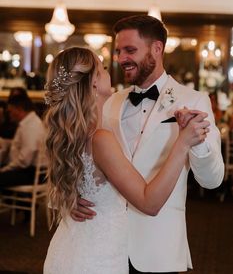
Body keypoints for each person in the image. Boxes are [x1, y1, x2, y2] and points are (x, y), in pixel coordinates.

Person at [71, 15, 224, 274]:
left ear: (157, 48)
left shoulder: (195, 101)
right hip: (105, 242)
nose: (121, 59)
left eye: (130, 50)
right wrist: (72, 195)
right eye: (119, 51)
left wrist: (194, 141)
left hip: (158, 247)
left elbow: (213, 180)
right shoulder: (109, 102)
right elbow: (82, 156)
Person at [43, 47, 210, 274]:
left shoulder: (71, 134)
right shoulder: (99, 138)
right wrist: (182, 143)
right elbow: (149, 202)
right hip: (96, 259)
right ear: (93, 83)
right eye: (101, 68)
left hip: (70, 248)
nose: (112, 67)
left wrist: (71, 199)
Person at [0, 94, 46, 188]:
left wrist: (6, 168)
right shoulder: (30, 122)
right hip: (30, 170)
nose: (9, 114)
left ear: (19, 109)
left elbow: (24, 161)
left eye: (10, 111)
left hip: (32, 172)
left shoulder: (31, 126)